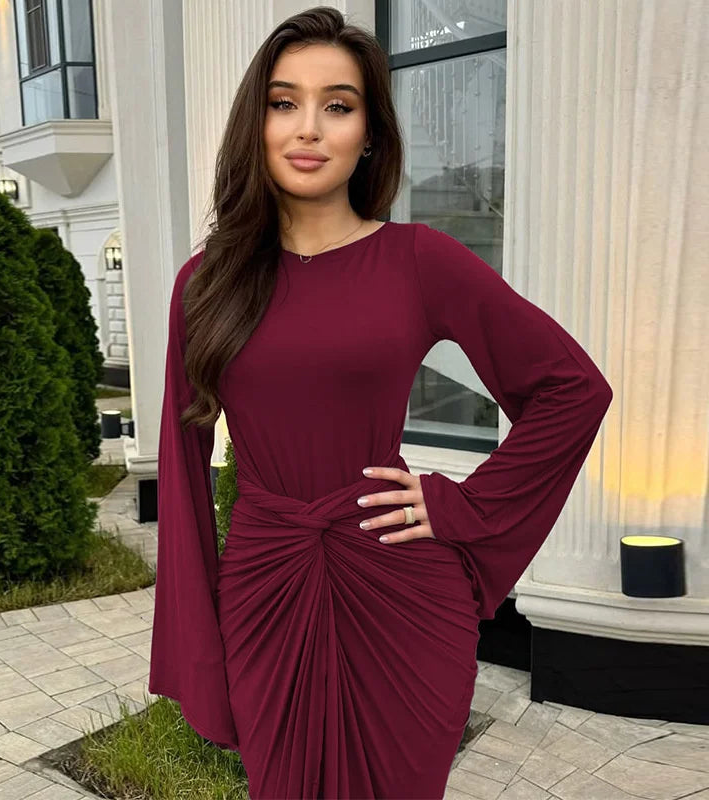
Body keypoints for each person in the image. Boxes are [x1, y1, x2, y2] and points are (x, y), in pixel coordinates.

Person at [148, 6, 613, 799]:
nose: (308, 128)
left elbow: (573, 391)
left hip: (400, 592)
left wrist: (460, 506)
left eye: (338, 104)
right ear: (255, 124)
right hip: (267, 590)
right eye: (284, 101)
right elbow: (183, 472)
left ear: (369, 133)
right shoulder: (208, 284)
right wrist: (201, 644)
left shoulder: (417, 261)